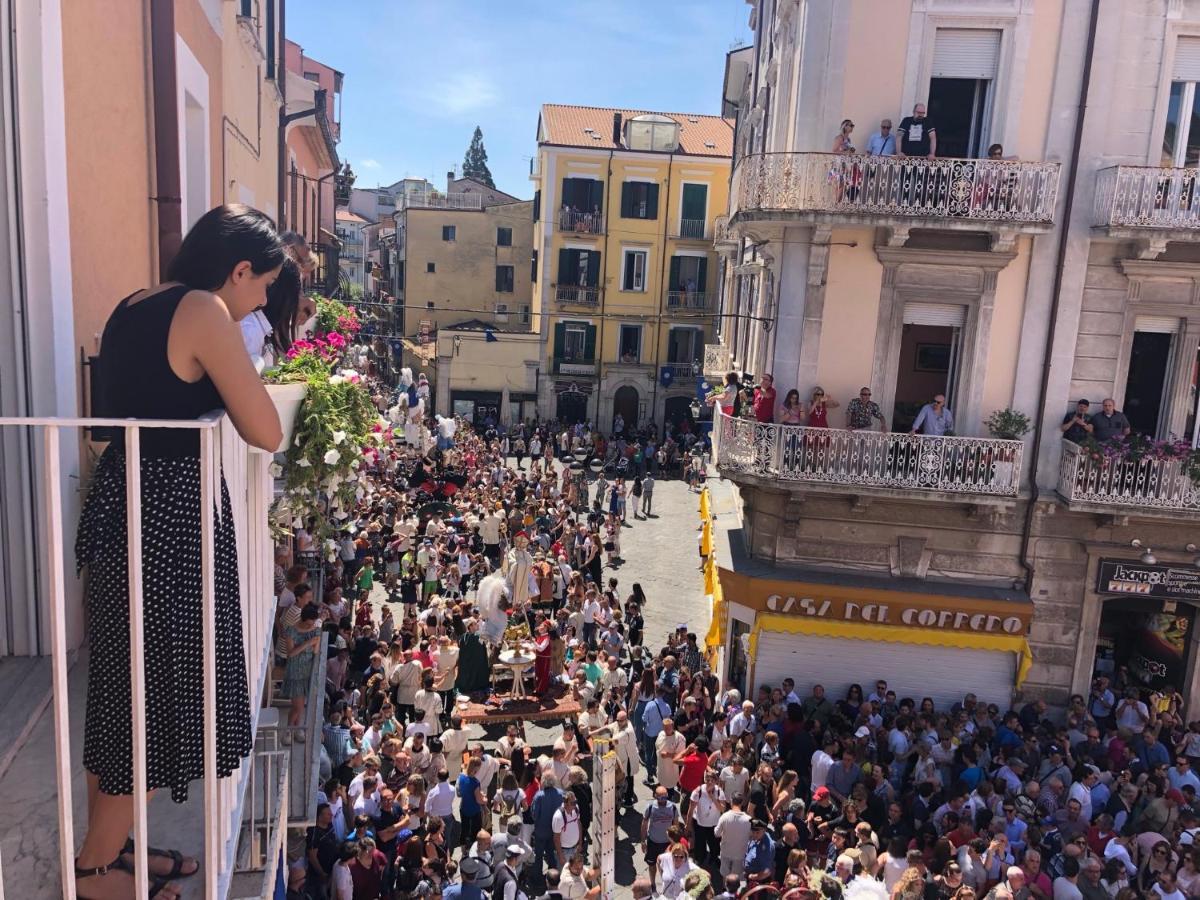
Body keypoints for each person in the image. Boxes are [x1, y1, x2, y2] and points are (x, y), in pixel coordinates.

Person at [74, 204, 285, 899]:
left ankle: (113, 851)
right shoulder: (202, 312)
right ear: (238, 268)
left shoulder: (136, 303)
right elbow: (263, 428)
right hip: (167, 520)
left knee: (128, 689)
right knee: (149, 700)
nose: (261, 302)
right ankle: (96, 873)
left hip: (123, 506)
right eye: (261, 287)